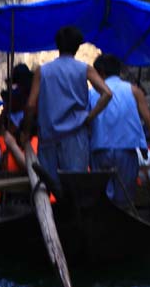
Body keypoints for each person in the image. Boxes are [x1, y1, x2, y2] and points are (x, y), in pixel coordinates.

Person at [20, 25, 112, 184]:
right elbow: (107, 93)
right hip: (75, 137)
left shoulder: (42, 71)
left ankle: (51, 209)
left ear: (57, 46)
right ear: (77, 47)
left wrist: (26, 131)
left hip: (48, 137)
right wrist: (90, 117)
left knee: (49, 185)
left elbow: (30, 105)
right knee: (75, 186)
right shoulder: (85, 69)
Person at [89, 53, 150, 206]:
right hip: (126, 151)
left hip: (99, 150)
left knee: (102, 197)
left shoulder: (91, 93)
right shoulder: (134, 91)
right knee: (124, 199)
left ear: (100, 73)